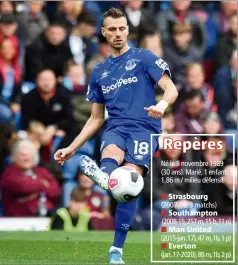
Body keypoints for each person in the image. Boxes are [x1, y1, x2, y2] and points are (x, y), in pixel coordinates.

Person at [54, 8, 178, 264]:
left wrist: (161, 106)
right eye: (112, 29)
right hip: (116, 128)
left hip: (145, 128)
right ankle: (107, 177)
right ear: (104, 32)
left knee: (129, 184)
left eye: (122, 28)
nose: (118, 33)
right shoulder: (99, 72)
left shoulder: (144, 57)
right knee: (112, 158)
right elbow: (96, 118)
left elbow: (171, 89)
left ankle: (116, 247)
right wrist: (72, 147)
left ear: (127, 30)